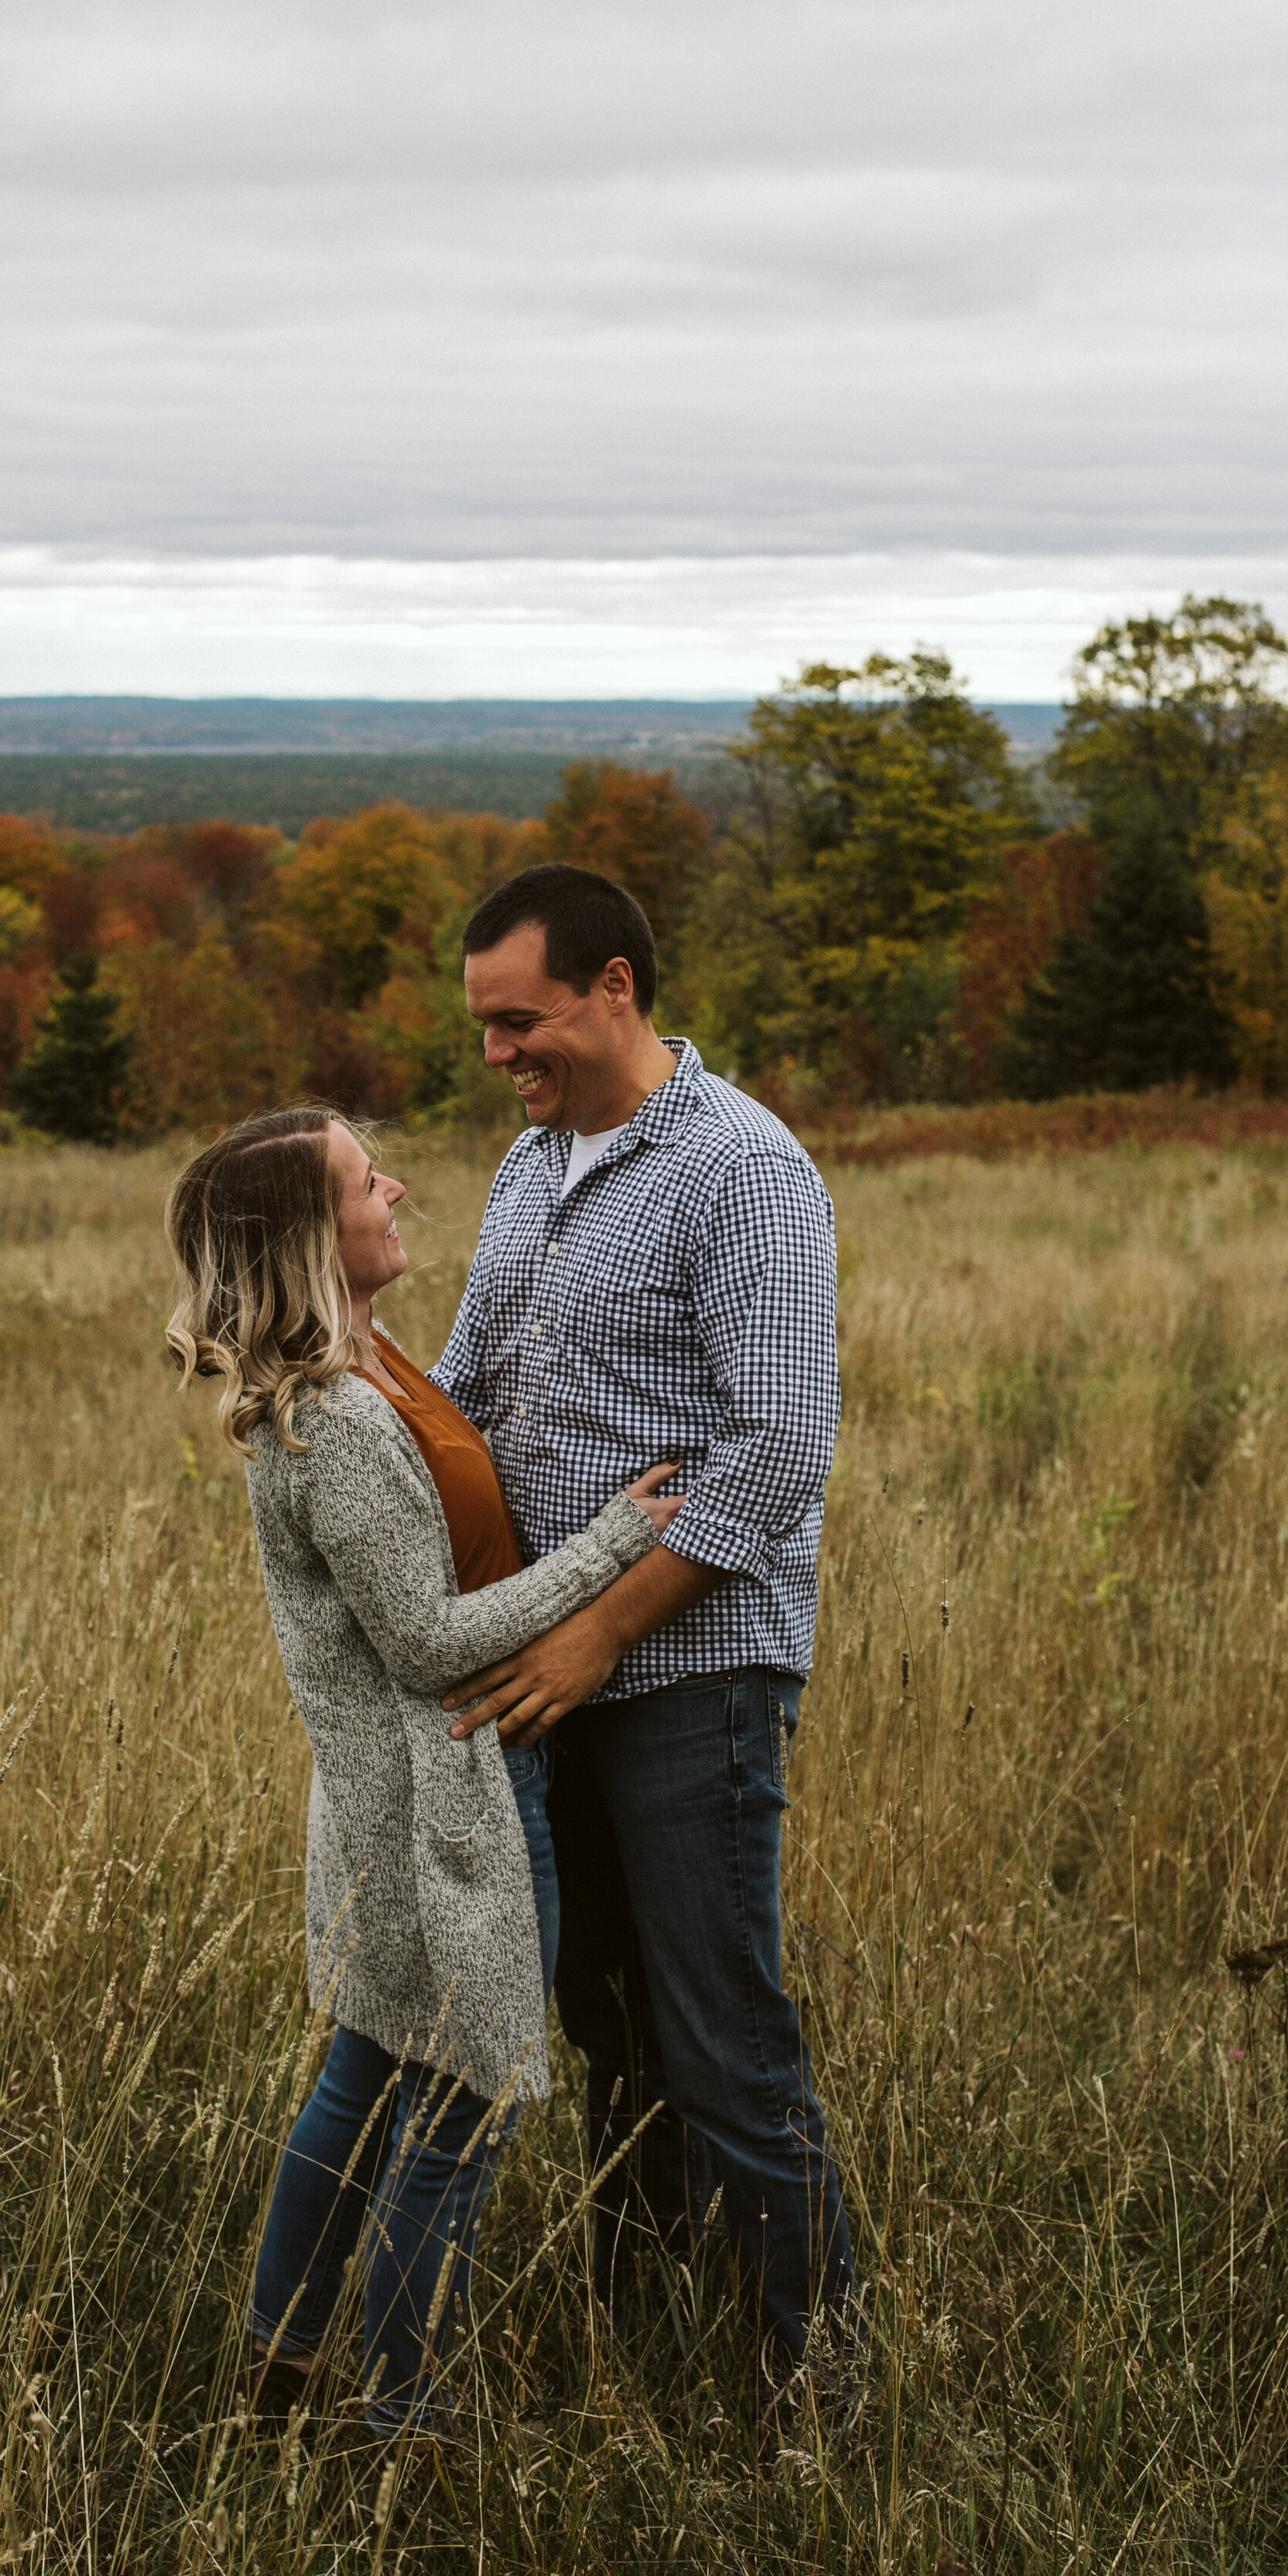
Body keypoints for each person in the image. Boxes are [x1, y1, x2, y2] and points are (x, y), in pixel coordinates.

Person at [162, 1106, 682, 2439]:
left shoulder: (373, 1362)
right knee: (467, 2099)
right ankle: (399, 2414)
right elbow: (428, 1638)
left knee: (373, 2075)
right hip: (439, 1807)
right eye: (362, 1178)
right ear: (306, 1235)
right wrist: (620, 1539)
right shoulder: (331, 1416)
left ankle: (283, 2372)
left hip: (417, 1795)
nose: (396, 1185)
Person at [433, 861, 864, 2433]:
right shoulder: (528, 1163)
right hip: (552, 1667)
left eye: (520, 1022)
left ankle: (818, 2392)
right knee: (609, 2028)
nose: (499, 1056)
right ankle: (653, 2342)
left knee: (720, 2034)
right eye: (484, 1028)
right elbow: (471, 1382)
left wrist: (596, 1636)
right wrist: (333, 1402)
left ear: (615, 988)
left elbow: (774, 1450)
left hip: (686, 1669)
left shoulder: (743, 1171)